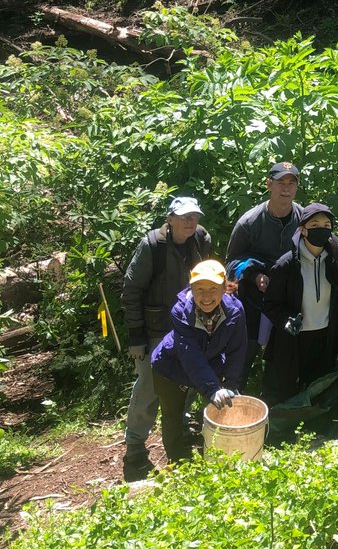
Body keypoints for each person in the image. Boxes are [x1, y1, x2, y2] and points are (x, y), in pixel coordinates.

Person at [120, 196, 213, 481]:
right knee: (149, 390)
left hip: (190, 328)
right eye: (184, 217)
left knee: (186, 384)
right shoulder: (152, 246)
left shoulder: (201, 239)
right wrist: (136, 337)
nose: (190, 222)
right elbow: (131, 290)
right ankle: (135, 449)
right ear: (169, 219)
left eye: (194, 216)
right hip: (155, 332)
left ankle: (179, 432)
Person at [150, 260, 247, 465]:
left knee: (218, 409)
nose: (206, 296)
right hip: (170, 367)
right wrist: (212, 388)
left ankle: (216, 458)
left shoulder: (235, 311)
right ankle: (177, 464)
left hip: (207, 365)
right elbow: (190, 355)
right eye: (199, 289)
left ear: (224, 288)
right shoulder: (180, 312)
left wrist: (230, 384)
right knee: (172, 416)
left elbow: (237, 350)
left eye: (213, 288)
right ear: (191, 288)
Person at [261, 203, 338, 403]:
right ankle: (289, 429)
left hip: (327, 338)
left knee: (320, 388)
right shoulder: (285, 265)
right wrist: (287, 319)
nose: (322, 228)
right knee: (288, 391)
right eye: (315, 224)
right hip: (294, 340)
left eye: (327, 224)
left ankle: (316, 429)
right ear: (302, 230)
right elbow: (270, 304)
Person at [225, 161, 303, 380]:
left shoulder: (304, 220)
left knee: (284, 349)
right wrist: (253, 275)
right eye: (280, 182)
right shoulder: (249, 222)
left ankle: (278, 395)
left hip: (288, 297)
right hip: (253, 297)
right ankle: (234, 393)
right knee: (246, 348)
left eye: (291, 183)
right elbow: (230, 262)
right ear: (269, 184)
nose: (286, 188)